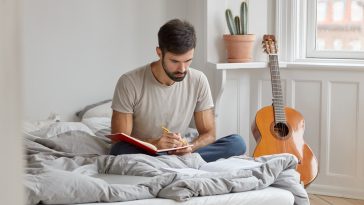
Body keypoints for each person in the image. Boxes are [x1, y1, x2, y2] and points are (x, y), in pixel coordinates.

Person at [110, 18, 246, 162]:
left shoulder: (198, 80)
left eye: (188, 61)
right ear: (159, 53)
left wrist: (190, 147)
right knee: (119, 150)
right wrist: (155, 144)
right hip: (146, 151)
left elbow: (209, 134)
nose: (182, 69)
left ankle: (175, 161)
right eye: (175, 61)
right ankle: (177, 162)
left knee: (237, 143)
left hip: (179, 153)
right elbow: (119, 140)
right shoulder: (129, 82)